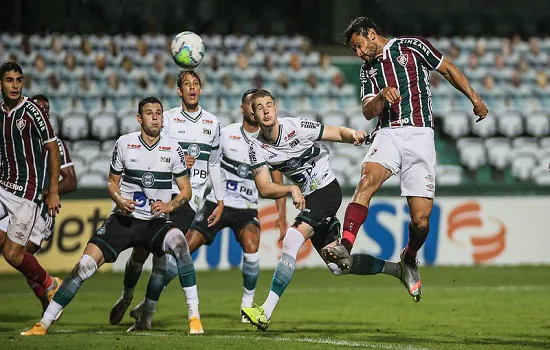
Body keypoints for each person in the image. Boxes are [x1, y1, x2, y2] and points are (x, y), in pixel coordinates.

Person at [321, 17, 489, 302]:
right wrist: (382, 98)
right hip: (389, 132)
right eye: (355, 51)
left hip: (421, 135)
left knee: (421, 221)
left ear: (371, 34)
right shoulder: (367, 71)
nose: (359, 53)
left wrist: (475, 98)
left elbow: (447, 69)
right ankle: (345, 245)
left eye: (359, 46)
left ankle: (408, 259)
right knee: (367, 179)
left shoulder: (412, 47)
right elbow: (366, 110)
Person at [21, 96, 204, 336]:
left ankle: (194, 319)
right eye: (150, 113)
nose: (156, 116)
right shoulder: (125, 144)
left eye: (159, 112)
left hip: (155, 222)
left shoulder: (173, 148)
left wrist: (170, 206)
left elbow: (186, 191)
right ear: (140, 118)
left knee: (180, 246)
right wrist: (119, 199)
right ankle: (43, 324)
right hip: (124, 220)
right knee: (85, 265)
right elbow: (111, 183)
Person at [241, 89, 403, 331]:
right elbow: (264, 188)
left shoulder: (297, 126)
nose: (265, 111)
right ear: (253, 114)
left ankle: (265, 311)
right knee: (339, 266)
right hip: (310, 198)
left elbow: (334, 132)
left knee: (292, 240)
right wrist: (289, 190)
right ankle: (396, 269)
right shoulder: (256, 148)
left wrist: (353, 135)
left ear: (276, 108)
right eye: (259, 107)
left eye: (269, 105)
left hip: (326, 190)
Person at [109, 70, 224, 331]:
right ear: (179, 91)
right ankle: (127, 296)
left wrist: (219, 198)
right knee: (140, 252)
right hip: (158, 194)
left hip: (186, 200)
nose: (192, 88)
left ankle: (147, 314)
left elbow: (215, 163)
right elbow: (151, 146)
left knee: (162, 257)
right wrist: (180, 158)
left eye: (196, 84)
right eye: (187, 84)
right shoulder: (168, 118)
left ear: (201, 90)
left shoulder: (212, 123)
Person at [185, 88, 286, 323]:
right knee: (184, 248)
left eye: (258, 105)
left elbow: (278, 182)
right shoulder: (226, 133)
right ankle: (149, 304)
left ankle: (246, 305)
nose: (254, 108)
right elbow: (207, 161)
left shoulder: (269, 141)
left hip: (246, 207)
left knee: (252, 246)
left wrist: (281, 216)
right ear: (243, 109)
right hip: (216, 202)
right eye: (251, 104)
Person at [0, 94, 77, 314]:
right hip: (15, 199)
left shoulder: (56, 145)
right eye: (38, 109)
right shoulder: (16, 137)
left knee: (20, 255)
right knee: (19, 258)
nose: (41, 113)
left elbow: (71, 181)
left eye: (45, 111)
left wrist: (48, 192)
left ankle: (50, 297)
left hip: (41, 210)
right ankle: (50, 298)